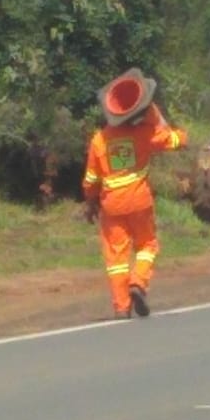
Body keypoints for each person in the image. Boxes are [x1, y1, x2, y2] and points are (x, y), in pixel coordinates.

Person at [82, 68, 188, 319]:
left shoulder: (99, 140)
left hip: (111, 205)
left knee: (116, 258)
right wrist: (156, 115)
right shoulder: (145, 134)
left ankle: (121, 307)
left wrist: (90, 204)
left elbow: (90, 180)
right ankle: (138, 282)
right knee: (147, 245)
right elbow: (175, 140)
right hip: (140, 200)